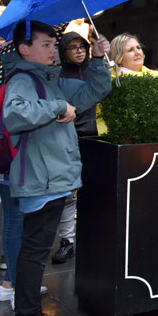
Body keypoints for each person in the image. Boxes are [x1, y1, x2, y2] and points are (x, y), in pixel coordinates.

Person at [3, 20, 111, 316]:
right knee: (33, 257)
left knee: (35, 256)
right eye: (47, 44)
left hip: (52, 178)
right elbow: (14, 114)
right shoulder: (23, 79)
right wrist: (57, 107)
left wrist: (97, 59)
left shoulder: (50, 79)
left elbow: (94, 91)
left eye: (54, 44)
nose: (55, 49)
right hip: (41, 180)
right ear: (25, 48)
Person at [50, 30, 102, 265]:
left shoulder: (96, 71)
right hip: (68, 137)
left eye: (83, 46)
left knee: (94, 192)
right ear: (63, 52)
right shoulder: (57, 76)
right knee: (69, 194)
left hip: (96, 136)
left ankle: (92, 238)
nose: (80, 51)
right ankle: (67, 241)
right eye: (73, 47)